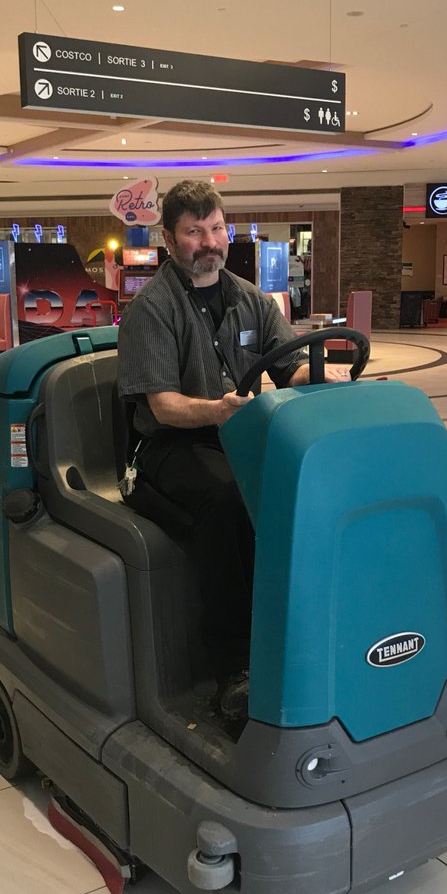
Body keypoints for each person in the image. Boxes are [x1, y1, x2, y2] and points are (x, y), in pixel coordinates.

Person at [117, 181, 350, 722]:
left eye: (217, 229)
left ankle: (305, 630)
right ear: (170, 240)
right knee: (229, 500)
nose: (209, 242)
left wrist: (322, 374)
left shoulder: (249, 297)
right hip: (169, 447)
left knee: (301, 487)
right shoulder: (152, 308)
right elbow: (165, 407)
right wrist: (217, 410)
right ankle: (234, 668)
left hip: (236, 432)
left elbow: (284, 362)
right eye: (194, 232)